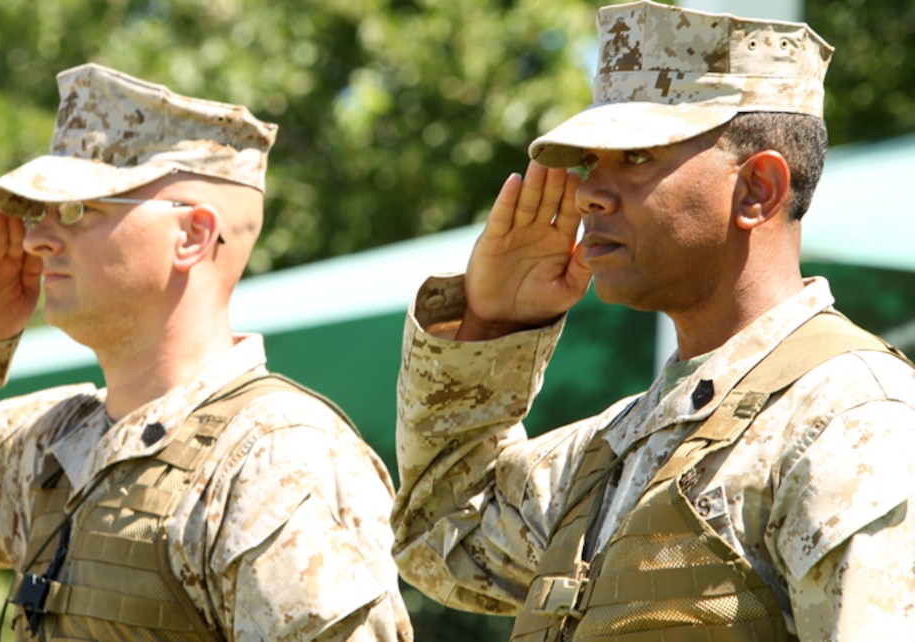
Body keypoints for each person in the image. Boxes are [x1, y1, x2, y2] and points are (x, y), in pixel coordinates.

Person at [390, 1, 915, 640]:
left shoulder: (850, 423)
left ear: (758, 191)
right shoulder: (618, 443)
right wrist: (493, 328)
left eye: (636, 157)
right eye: (588, 162)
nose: (587, 192)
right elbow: (442, 534)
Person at [0, 62, 412, 642]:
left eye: (77, 209)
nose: (38, 239)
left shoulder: (275, 461)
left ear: (193, 235)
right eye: (40, 215)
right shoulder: (60, 443)